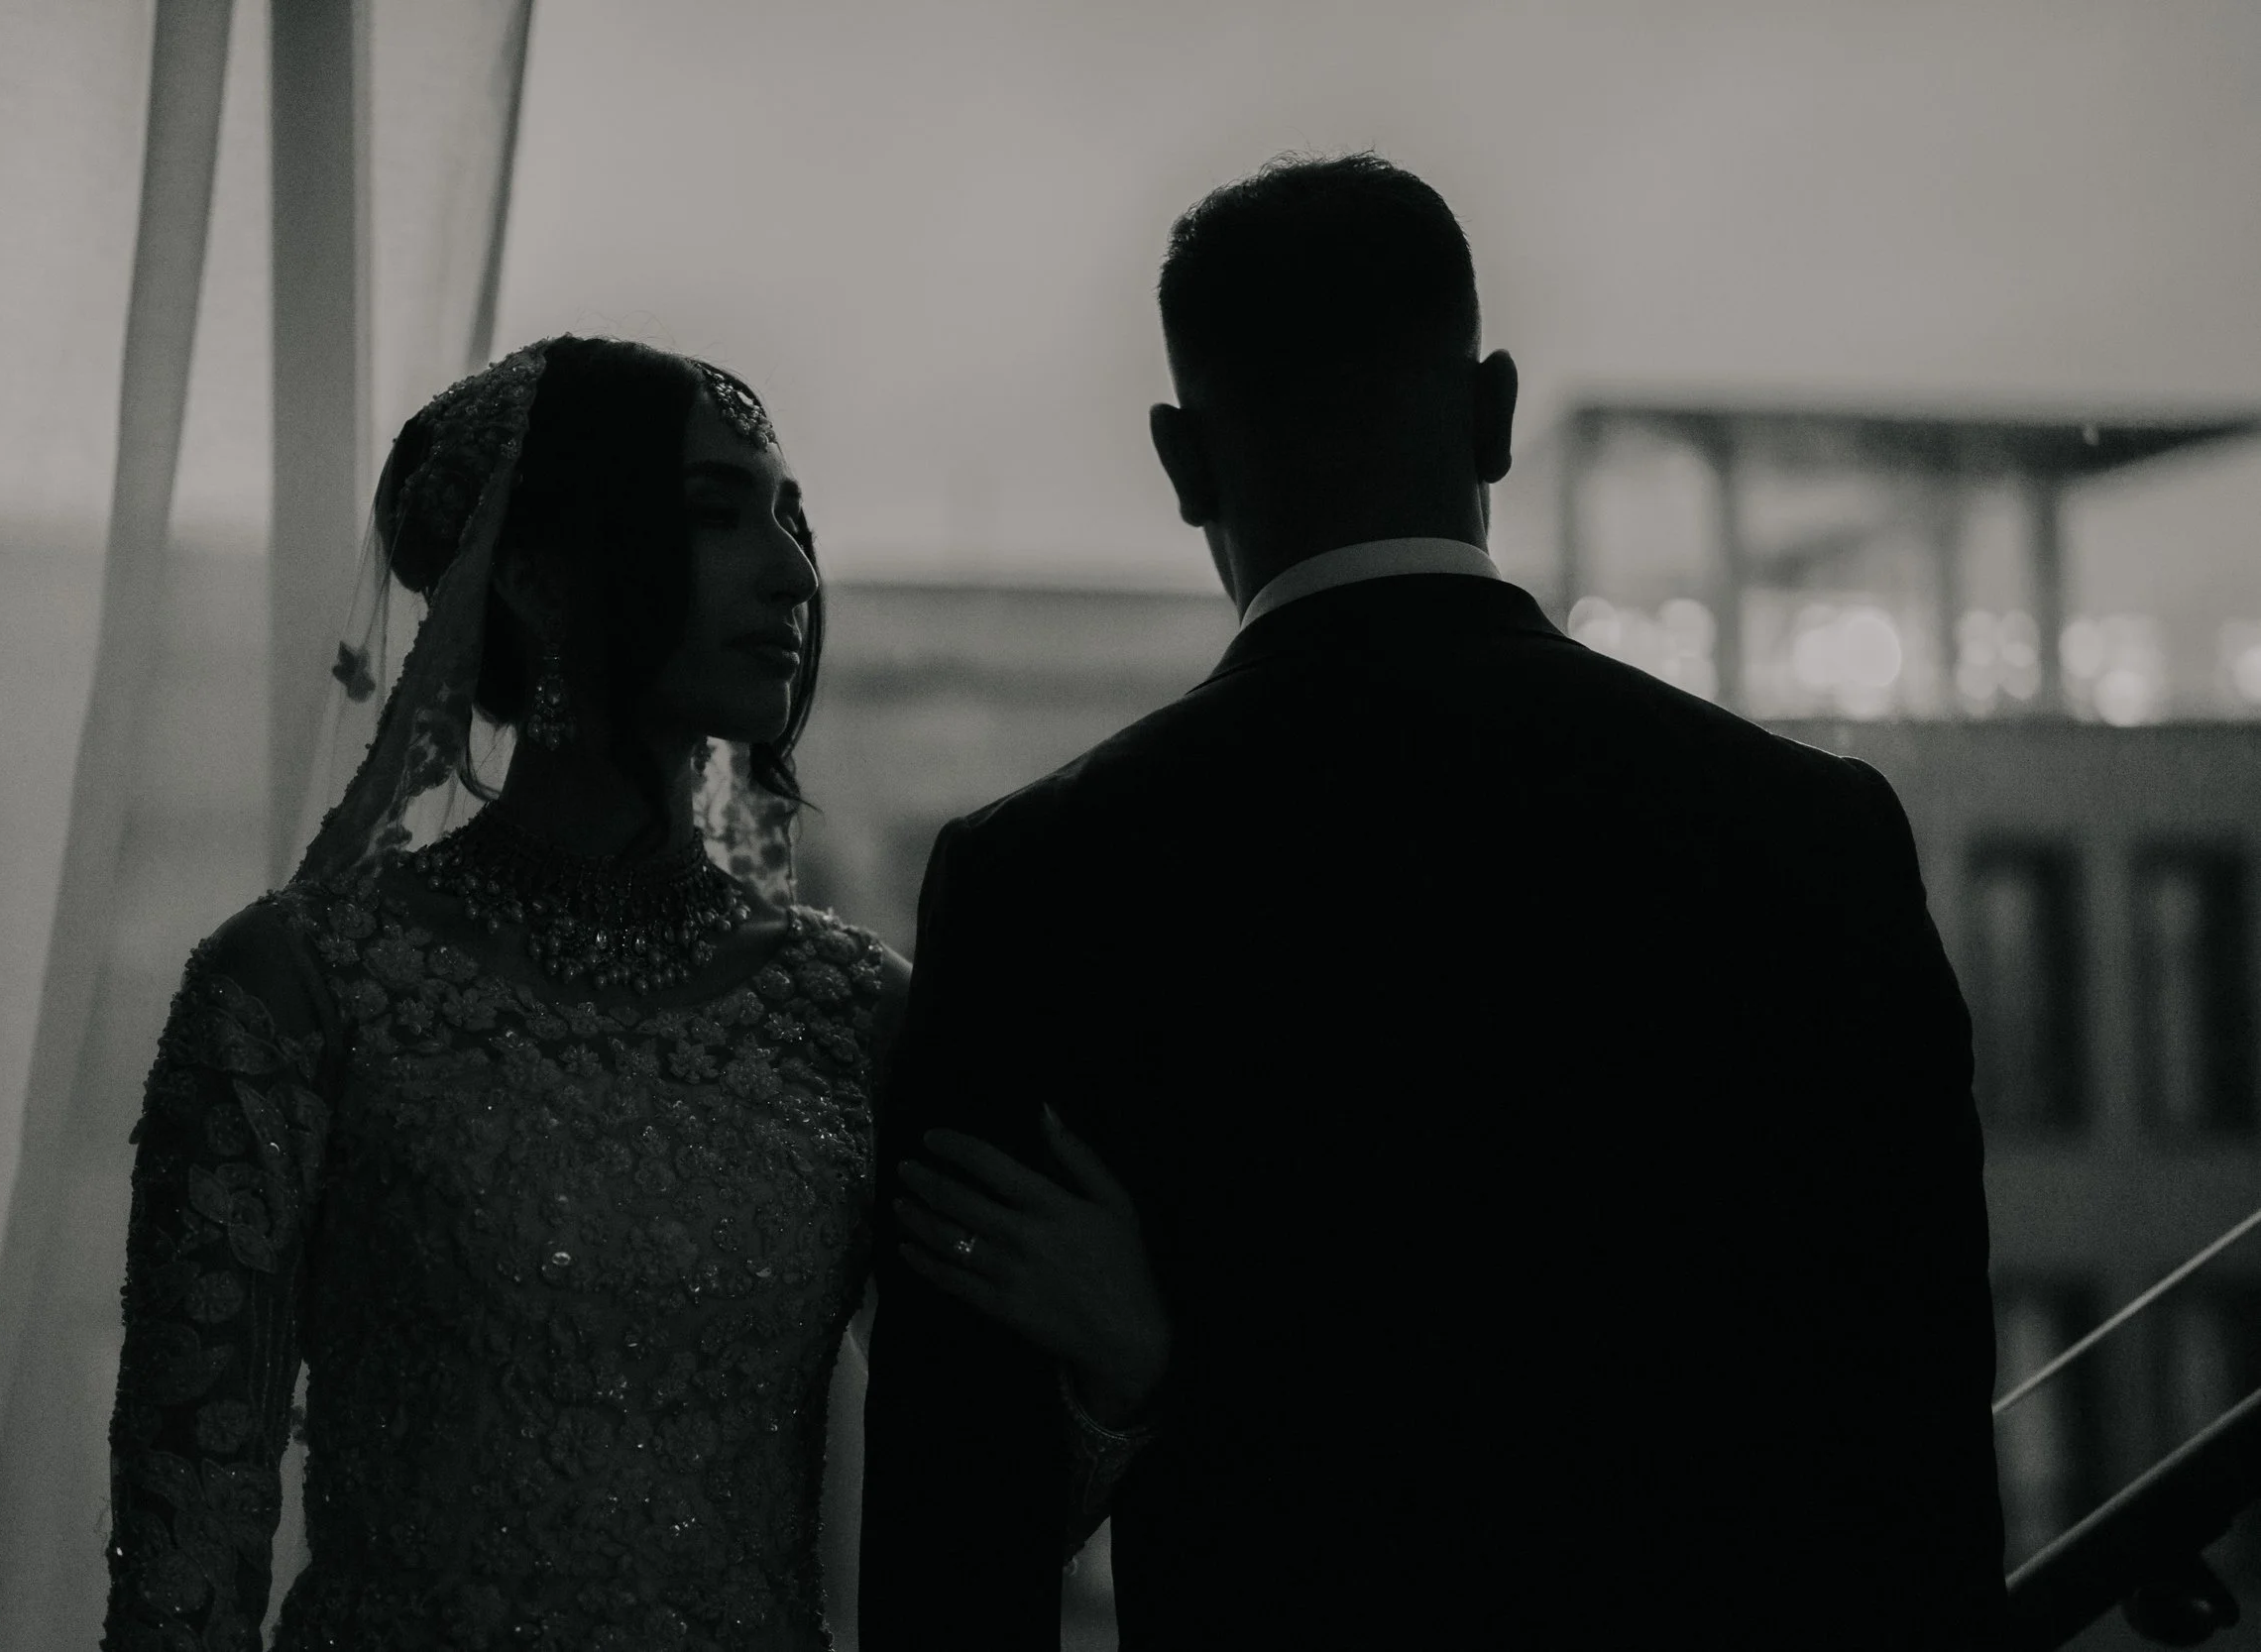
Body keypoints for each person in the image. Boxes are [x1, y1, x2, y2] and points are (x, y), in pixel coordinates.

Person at [860, 154, 2008, 1649]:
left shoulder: (1043, 878)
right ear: (1495, 414)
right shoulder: (1812, 832)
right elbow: (1919, 1443)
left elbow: (957, 1527)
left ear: (1181, 462)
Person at [98, 335, 1172, 1651]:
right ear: (544, 576)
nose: (792, 571)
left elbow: (968, 1522)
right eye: (721, 515)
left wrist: (1120, 1367)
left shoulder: (852, 1018)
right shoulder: (299, 992)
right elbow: (181, 1561)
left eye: (794, 520)